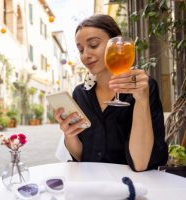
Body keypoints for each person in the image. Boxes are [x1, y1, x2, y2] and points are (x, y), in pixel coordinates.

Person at [54, 14, 168, 172]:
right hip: (90, 186)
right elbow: (82, 157)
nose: (85, 55)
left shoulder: (144, 87)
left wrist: (141, 101)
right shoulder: (80, 93)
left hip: (130, 187)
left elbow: (140, 164)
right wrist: (69, 133)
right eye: (80, 49)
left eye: (93, 45)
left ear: (117, 43)